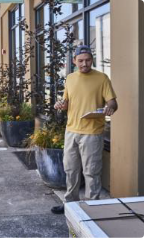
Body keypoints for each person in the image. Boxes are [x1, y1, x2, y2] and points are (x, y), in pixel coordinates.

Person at [51, 45, 118, 214]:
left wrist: (110, 107)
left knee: (91, 172)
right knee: (71, 170)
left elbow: (112, 102)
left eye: (88, 60)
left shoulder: (102, 78)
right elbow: (67, 102)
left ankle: (92, 207)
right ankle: (70, 205)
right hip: (71, 131)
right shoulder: (70, 78)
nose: (84, 64)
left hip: (93, 133)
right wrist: (61, 104)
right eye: (80, 61)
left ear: (92, 60)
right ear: (74, 61)